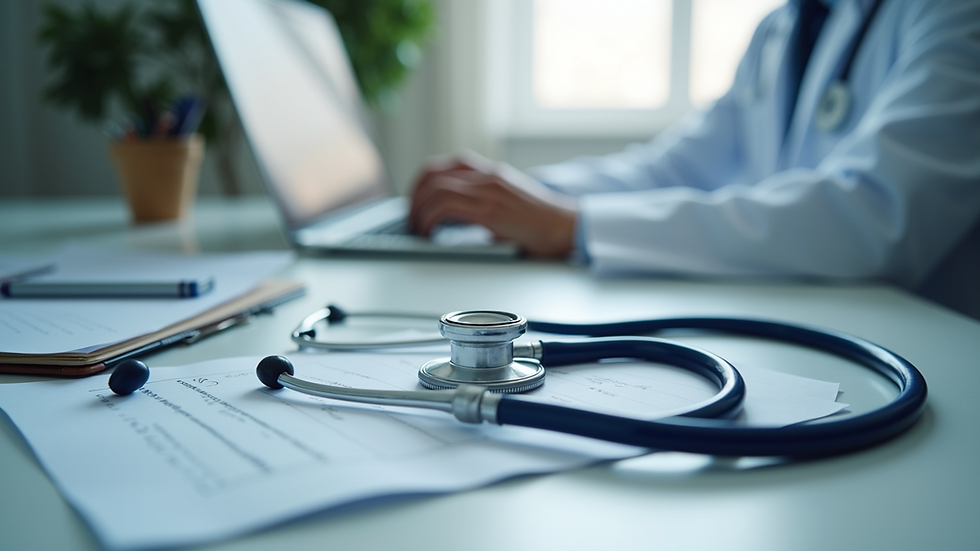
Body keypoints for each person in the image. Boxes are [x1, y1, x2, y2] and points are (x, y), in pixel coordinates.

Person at [407, 0, 980, 315]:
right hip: (823, 323)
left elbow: (874, 213)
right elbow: (675, 168)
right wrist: (509, 195)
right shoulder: (783, 26)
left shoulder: (953, 16)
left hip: (931, 359)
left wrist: (572, 225)